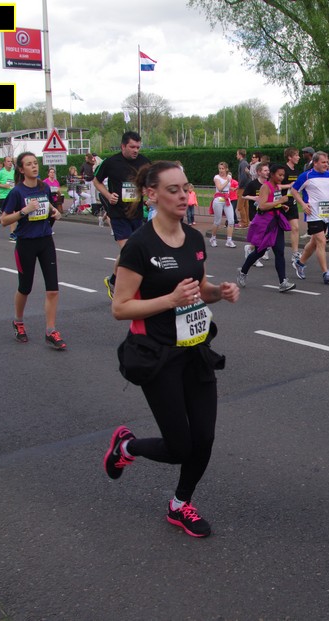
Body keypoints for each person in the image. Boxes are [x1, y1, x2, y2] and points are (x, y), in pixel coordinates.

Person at [104, 160, 239, 538]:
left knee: (204, 438)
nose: (183, 196)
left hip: (195, 350)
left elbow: (200, 288)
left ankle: (180, 504)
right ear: (152, 194)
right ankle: (127, 447)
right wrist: (170, 300)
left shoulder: (194, 239)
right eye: (173, 190)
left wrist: (219, 292)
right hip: (157, 353)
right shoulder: (138, 246)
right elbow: (120, 308)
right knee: (180, 447)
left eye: (186, 188)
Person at [0, 152, 66, 350]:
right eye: (29, 164)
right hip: (26, 244)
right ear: (21, 169)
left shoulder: (44, 188)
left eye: (35, 163)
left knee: (53, 288)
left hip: (45, 241)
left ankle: (51, 330)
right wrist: (23, 211)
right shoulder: (17, 192)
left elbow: (48, 205)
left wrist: (55, 211)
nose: (34, 167)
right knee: (25, 287)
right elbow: (4, 220)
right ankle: (18, 321)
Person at [95, 131, 152, 299]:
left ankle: (113, 280)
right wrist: (108, 195)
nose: (136, 150)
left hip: (136, 214)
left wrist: (147, 192)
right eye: (132, 147)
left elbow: (151, 182)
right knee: (129, 250)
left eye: (138, 147)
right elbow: (96, 181)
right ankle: (125, 286)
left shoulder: (144, 162)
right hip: (118, 213)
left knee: (131, 251)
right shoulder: (111, 162)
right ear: (123, 146)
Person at [237, 163, 295, 292]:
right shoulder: (265, 187)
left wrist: (280, 206)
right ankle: (243, 271)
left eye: (283, 175)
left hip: (276, 222)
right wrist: (279, 202)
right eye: (279, 175)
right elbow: (262, 206)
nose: (282, 177)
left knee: (279, 251)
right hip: (265, 223)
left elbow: (272, 202)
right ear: (272, 175)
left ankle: (283, 282)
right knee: (260, 251)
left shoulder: (277, 187)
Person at [291, 151, 329, 285]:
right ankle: (326, 273)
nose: (326, 165)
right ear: (315, 163)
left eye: (327, 162)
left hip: (325, 213)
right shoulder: (306, 176)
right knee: (321, 241)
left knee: (314, 242)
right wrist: (303, 204)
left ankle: (300, 263)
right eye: (323, 162)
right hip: (312, 213)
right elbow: (294, 190)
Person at [281, 147, 303, 261]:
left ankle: (295, 253)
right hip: (281, 203)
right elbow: (276, 186)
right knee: (274, 229)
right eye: (296, 155)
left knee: (295, 228)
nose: (298, 157)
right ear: (290, 157)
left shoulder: (297, 171)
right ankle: (263, 249)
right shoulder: (283, 170)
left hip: (292, 203)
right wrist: (289, 185)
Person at [210, 162, 237, 248]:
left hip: (227, 199)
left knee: (231, 220)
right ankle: (213, 238)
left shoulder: (228, 177)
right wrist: (227, 181)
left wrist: (233, 188)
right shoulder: (216, 177)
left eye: (223, 168)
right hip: (218, 199)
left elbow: (227, 187)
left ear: (226, 169)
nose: (221, 170)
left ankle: (229, 240)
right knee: (217, 221)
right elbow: (220, 188)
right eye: (220, 168)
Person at [0, 156, 16, 238]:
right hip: (3, 196)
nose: (10, 163)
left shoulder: (13, 172)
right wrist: (3, 186)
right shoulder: (1, 172)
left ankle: (12, 233)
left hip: (12, 196)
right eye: (8, 161)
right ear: (4, 163)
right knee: (9, 214)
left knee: (12, 214)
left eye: (11, 161)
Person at [235, 148, 251, 227]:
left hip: (243, 187)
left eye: (237, 154)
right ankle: (247, 221)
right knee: (245, 205)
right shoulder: (245, 163)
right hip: (245, 186)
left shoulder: (243, 163)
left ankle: (244, 222)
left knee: (240, 206)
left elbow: (243, 177)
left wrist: (239, 185)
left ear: (240, 155)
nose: (236, 156)